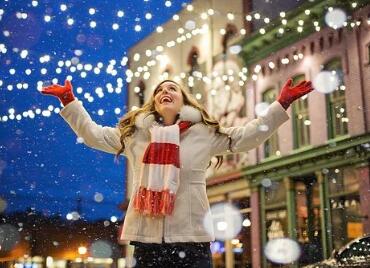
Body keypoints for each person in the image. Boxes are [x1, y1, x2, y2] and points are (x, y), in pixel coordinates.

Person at [41, 78, 313, 267]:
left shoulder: (204, 134)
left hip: (192, 239)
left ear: (183, 101)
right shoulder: (136, 135)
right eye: (159, 90)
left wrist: (281, 105)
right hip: (147, 241)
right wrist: (69, 100)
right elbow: (93, 135)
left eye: (172, 88)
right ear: (154, 103)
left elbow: (246, 137)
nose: (164, 91)